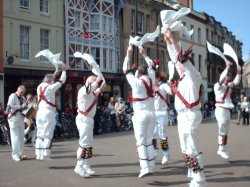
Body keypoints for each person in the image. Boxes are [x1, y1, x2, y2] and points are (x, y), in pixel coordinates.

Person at [164, 30, 206, 187]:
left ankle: (199, 179)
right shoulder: (181, 80)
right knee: (184, 146)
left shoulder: (194, 76)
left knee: (191, 146)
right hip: (181, 116)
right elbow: (175, 57)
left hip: (191, 114)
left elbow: (181, 57)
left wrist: (173, 40)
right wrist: (168, 41)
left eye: (181, 64)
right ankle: (193, 172)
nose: (178, 64)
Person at [123, 46, 156, 178]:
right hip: (152, 114)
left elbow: (125, 70)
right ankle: (151, 166)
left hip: (141, 114)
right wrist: (144, 54)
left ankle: (145, 167)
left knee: (141, 142)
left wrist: (128, 54)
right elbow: (152, 67)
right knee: (149, 141)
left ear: (138, 73)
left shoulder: (136, 82)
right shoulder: (152, 79)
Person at [74, 75, 105, 177]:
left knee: (89, 144)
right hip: (83, 119)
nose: (95, 82)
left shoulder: (91, 92)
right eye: (93, 80)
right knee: (84, 143)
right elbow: (91, 89)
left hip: (89, 119)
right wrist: (98, 80)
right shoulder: (84, 89)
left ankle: (86, 166)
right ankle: (79, 166)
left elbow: (95, 92)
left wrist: (101, 87)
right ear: (88, 82)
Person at [35, 64, 67, 160]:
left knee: (40, 134)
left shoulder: (39, 86)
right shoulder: (50, 87)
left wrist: (55, 74)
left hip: (39, 112)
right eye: (52, 80)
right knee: (48, 133)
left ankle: (38, 154)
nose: (53, 81)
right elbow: (62, 81)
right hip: (48, 112)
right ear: (50, 81)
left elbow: (48, 81)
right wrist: (64, 71)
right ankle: (45, 154)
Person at [214, 60, 241, 160]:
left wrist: (238, 72)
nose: (227, 79)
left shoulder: (229, 86)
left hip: (226, 110)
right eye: (226, 77)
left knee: (225, 130)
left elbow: (236, 82)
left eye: (228, 78)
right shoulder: (217, 86)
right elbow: (221, 81)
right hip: (220, 109)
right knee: (222, 128)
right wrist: (227, 68)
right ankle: (221, 148)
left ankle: (222, 148)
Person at [152, 71, 172, 165]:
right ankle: (155, 150)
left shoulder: (163, 86)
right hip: (153, 113)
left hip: (162, 113)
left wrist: (170, 85)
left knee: (162, 134)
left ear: (158, 78)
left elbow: (171, 92)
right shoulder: (151, 86)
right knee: (152, 133)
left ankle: (166, 153)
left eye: (153, 77)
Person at [7, 85, 28, 161]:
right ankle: (15, 154)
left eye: (23, 93)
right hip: (13, 119)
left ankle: (20, 154)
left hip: (21, 119)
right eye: (21, 92)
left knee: (21, 137)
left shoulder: (23, 97)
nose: (22, 94)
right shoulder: (13, 96)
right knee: (15, 137)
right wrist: (21, 106)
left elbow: (25, 106)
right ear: (18, 90)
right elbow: (10, 106)